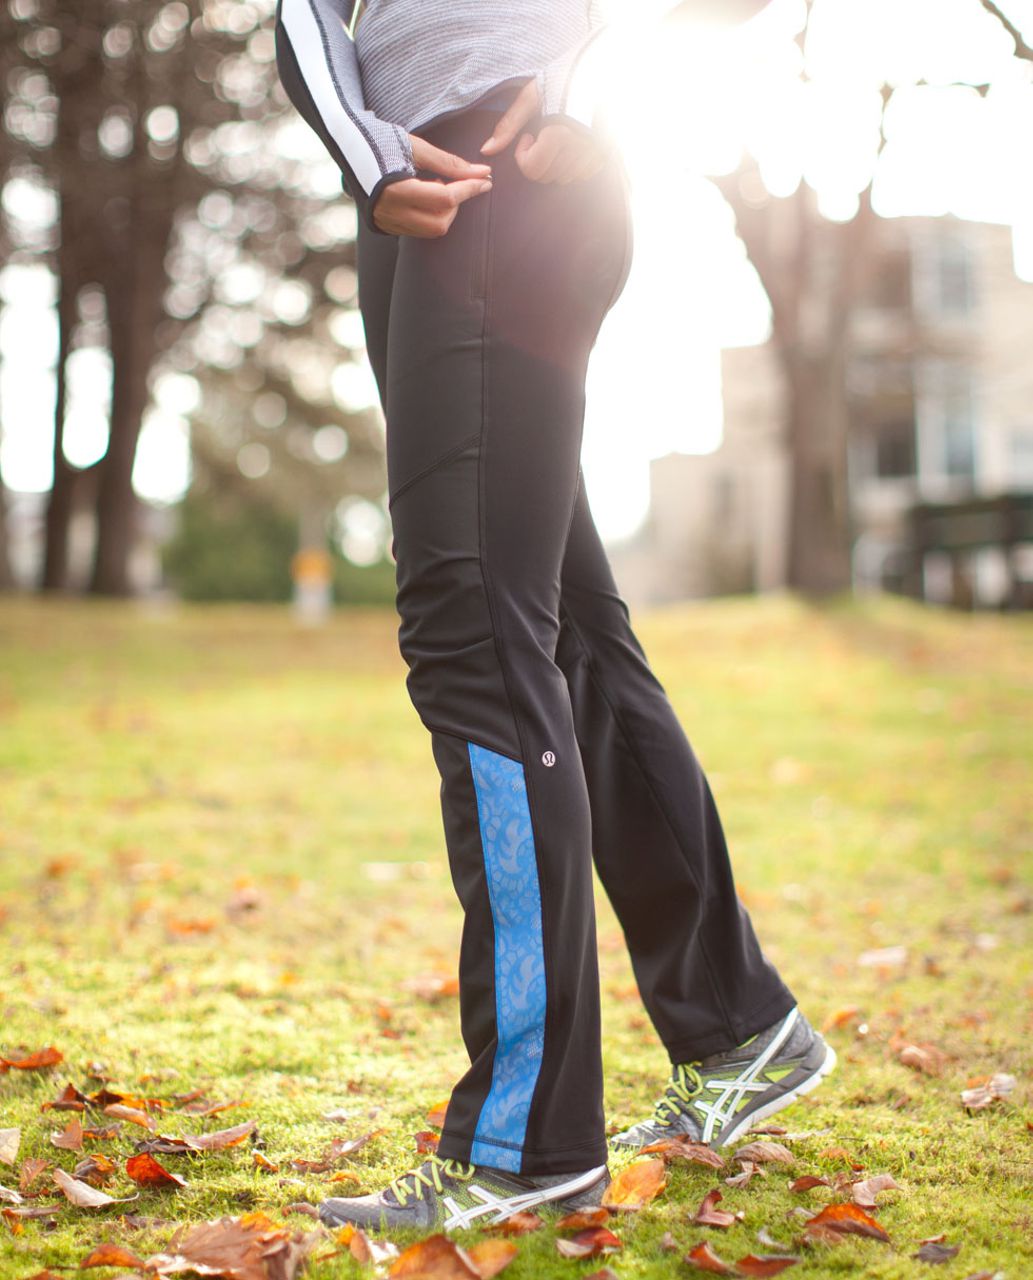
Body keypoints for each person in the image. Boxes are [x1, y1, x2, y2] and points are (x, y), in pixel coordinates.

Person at [272, 0, 836, 1233]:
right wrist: (368, 156)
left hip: (506, 167)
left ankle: (526, 1140)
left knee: (474, 632)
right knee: (565, 629)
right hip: (427, 187)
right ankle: (743, 1025)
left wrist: (586, 84)